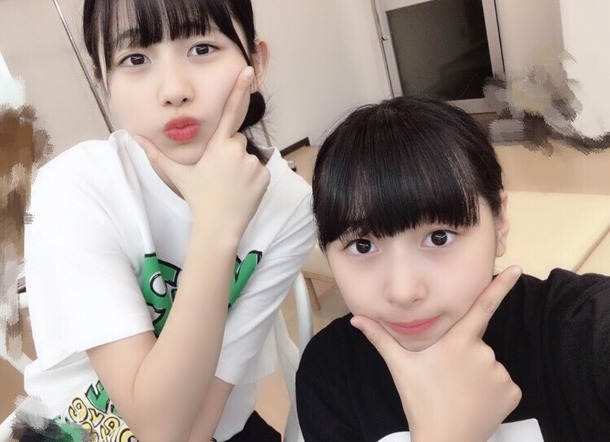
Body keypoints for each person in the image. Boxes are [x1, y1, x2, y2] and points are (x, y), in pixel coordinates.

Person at [21, 1, 315, 441]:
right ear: (104, 84)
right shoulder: (75, 187)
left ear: (255, 63)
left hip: (208, 424)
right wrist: (217, 225)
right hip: (75, 428)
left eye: (202, 48)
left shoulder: (287, 205)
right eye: (135, 58)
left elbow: (185, 433)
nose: (174, 90)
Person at [295, 95, 610, 442]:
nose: (404, 292)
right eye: (363, 245)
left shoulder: (581, 329)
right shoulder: (329, 375)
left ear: (499, 221)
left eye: (439, 237)